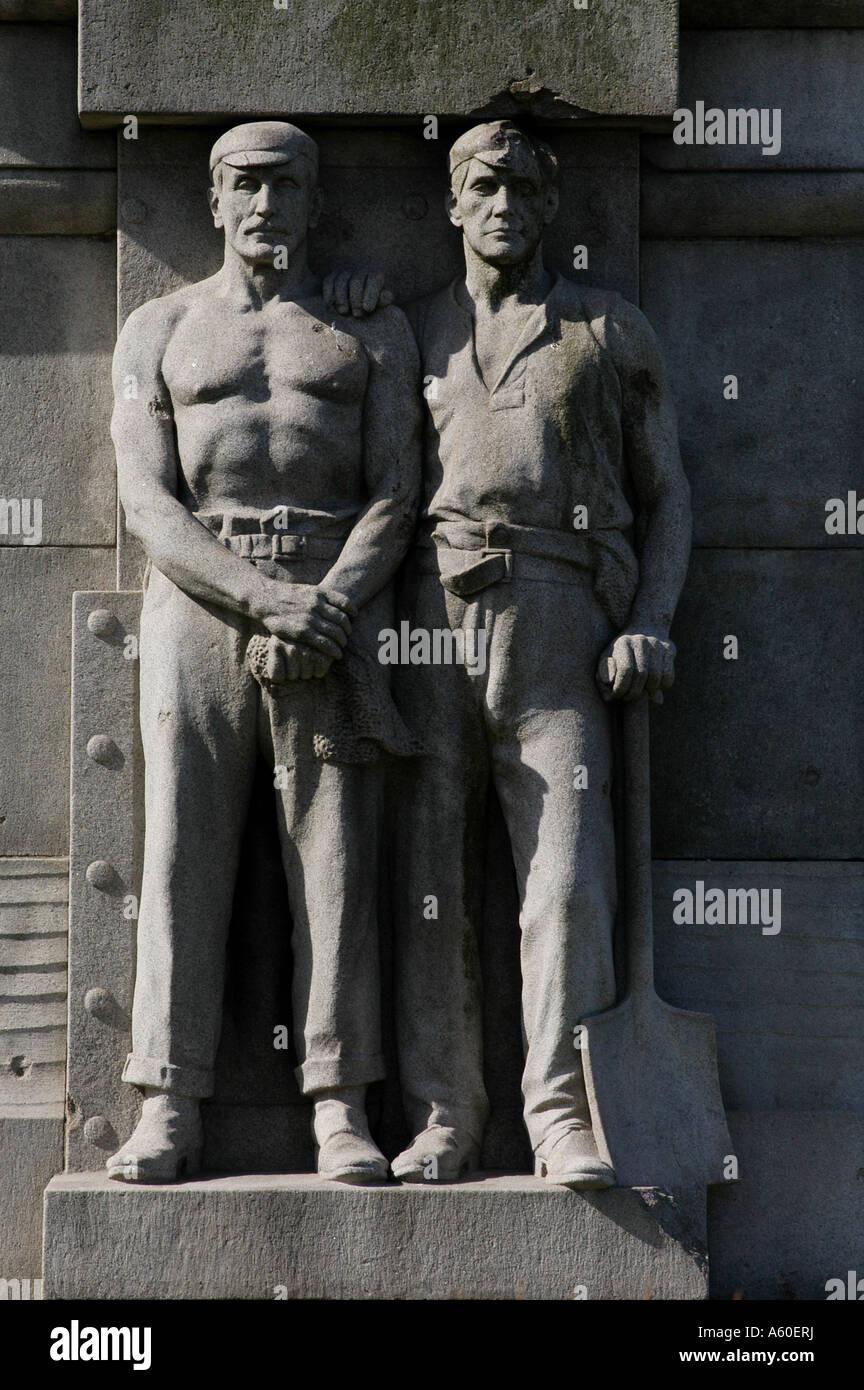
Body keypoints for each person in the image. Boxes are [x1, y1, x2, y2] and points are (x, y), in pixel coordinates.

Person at [338, 121, 691, 1188]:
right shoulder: (409, 333)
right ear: (453, 203)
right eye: (485, 186)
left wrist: (654, 621)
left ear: (551, 209)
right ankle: (446, 1114)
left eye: (528, 191)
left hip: (561, 620)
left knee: (567, 881)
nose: (507, 206)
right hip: (430, 617)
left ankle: (560, 1112)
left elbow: (670, 495)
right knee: (432, 876)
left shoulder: (608, 329)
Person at [107, 121, 422, 1184]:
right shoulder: (158, 326)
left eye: (288, 184)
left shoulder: (365, 332)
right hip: (200, 595)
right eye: (245, 183)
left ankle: (340, 1100)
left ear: (315, 200)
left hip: (333, 593)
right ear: (212, 199)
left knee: (334, 859)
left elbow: (396, 489)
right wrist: (256, 599)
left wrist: (323, 603)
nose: (265, 203)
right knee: (180, 852)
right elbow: (146, 499)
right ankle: (167, 1098)